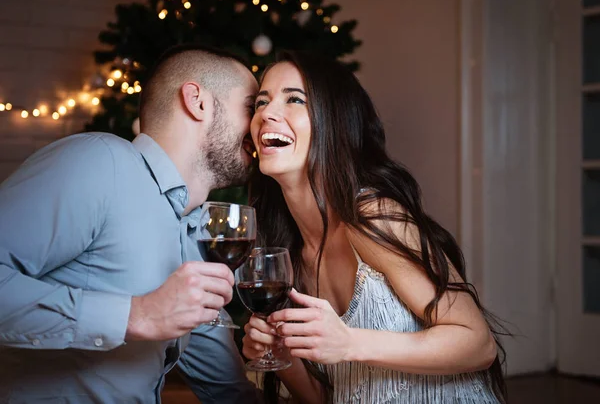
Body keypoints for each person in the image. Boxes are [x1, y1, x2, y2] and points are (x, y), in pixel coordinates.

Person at [0, 45, 261, 404]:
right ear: (197, 101)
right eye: (251, 106)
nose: (262, 123)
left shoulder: (196, 232)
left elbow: (229, 392)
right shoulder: (99, 161)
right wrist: (135, 315)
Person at [242, 51, 507, 404]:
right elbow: (326, 399)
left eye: (294, 99)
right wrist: (280, 354)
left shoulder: (372, 216)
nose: (266, 114)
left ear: (334, 122)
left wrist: (350, 343)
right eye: (261, 102)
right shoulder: (283, 254)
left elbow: (478, 343)